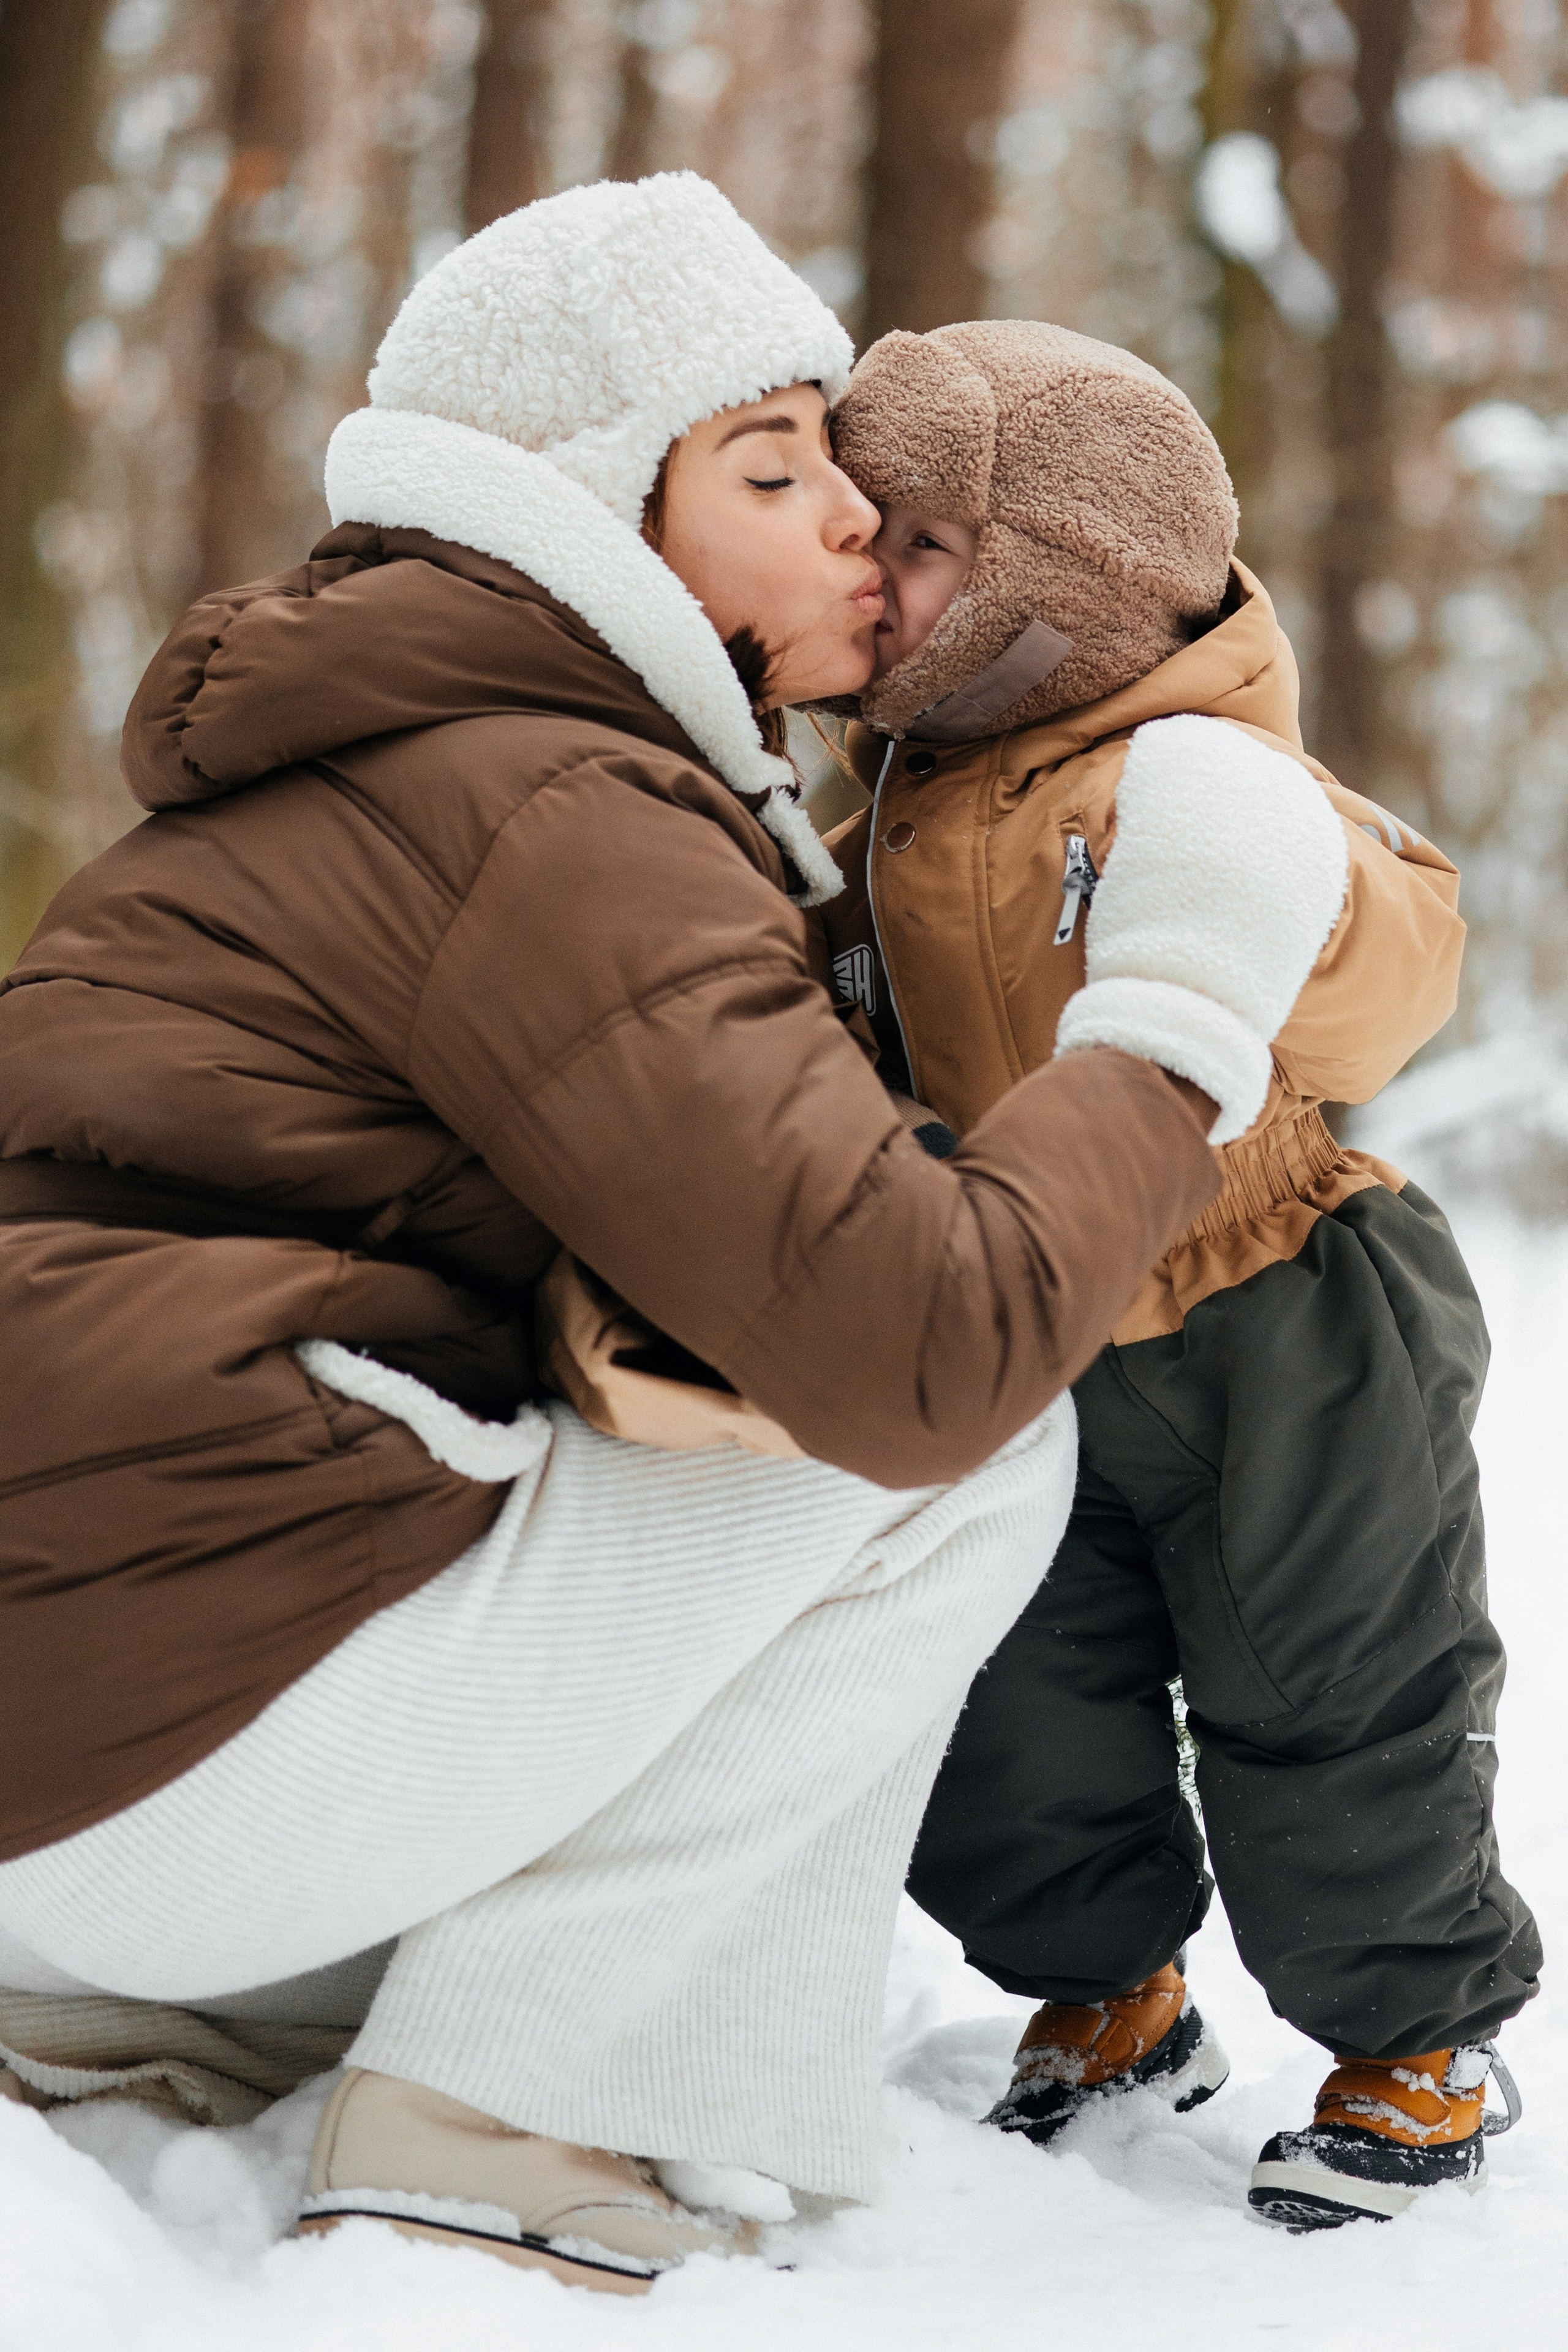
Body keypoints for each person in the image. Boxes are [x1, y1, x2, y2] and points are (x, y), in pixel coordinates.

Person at [0, 179, 1341, 2292]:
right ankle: (518, 2108)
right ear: (585, 516)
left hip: (71, 1773)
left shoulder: (361, 761)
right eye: (773, 467)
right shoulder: (555, 805)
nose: (854, 516)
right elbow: (921, 1348)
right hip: (165, 1762)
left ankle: (180, 2016)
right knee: (966, 1443)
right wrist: (1178, 1016)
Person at [819, 317, 1540, 2231]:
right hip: (1022, 1312)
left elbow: (1399, 973)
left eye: (920, 545)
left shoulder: (1205, 772)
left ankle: (1415, 2038)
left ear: (1051, 585)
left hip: (1278, 1303)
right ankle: (1108, 1991)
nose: (870, 576)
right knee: (1010, 1691)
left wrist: (1283, 879)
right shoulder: (877, 807)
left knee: (1334, 1683)